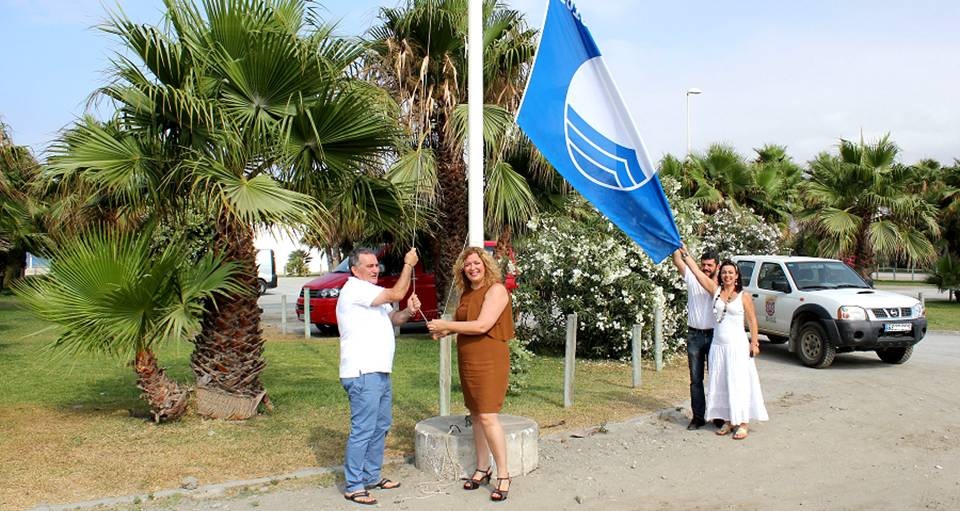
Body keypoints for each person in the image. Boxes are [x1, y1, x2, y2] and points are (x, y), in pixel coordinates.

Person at [427, 247, 515, 502]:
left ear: (486, 265)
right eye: (468, 265)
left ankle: (504, 474)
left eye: (477, 263)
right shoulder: (466, 292)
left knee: (488, 416)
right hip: (468, 360)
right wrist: (441, 331)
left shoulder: (496, 289)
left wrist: (447, 325)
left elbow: (482, 325)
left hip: (490, 360)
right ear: (462, 269)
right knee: (476, 415)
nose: (473, 268)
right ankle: (482, 467)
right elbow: (460, 324)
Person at [336, 247, 422, 505]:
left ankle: (371, 476)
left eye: (376, 265)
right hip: (363, 372)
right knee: (363, 429)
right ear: (355, 270)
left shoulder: (370, 293)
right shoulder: (355, 289)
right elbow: (396, 292)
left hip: (380, 371)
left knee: (380, 426)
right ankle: (353, 484)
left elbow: (394, 318)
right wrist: (408, 264)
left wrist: (408, 311)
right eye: (370, 266)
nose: (376, 270)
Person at [680, 252, 769, 440]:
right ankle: (729, 420)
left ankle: (742, 423)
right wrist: (684, 252)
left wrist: (754, 343)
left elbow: (752, 321)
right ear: (720, 275)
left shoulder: (743, 296)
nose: (727, 276)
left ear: (737, 276)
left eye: (731, 273)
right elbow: (696, 272)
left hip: (737, 347)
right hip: (718, 346)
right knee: (722, 384)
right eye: (725, 273)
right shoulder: (715, 290)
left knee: (739, 384)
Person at [671, 246, 720, 430]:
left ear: (717, 266)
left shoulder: (720, 285)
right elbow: (677, 261)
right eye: (704, 264)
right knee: (696, 379)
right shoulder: (691, 277)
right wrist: (675, 244)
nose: (706, 268)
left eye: (710, 265)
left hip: (715, 335)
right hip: (695, 335)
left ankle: (718, 416)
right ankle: (698, 417)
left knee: (716, 377)